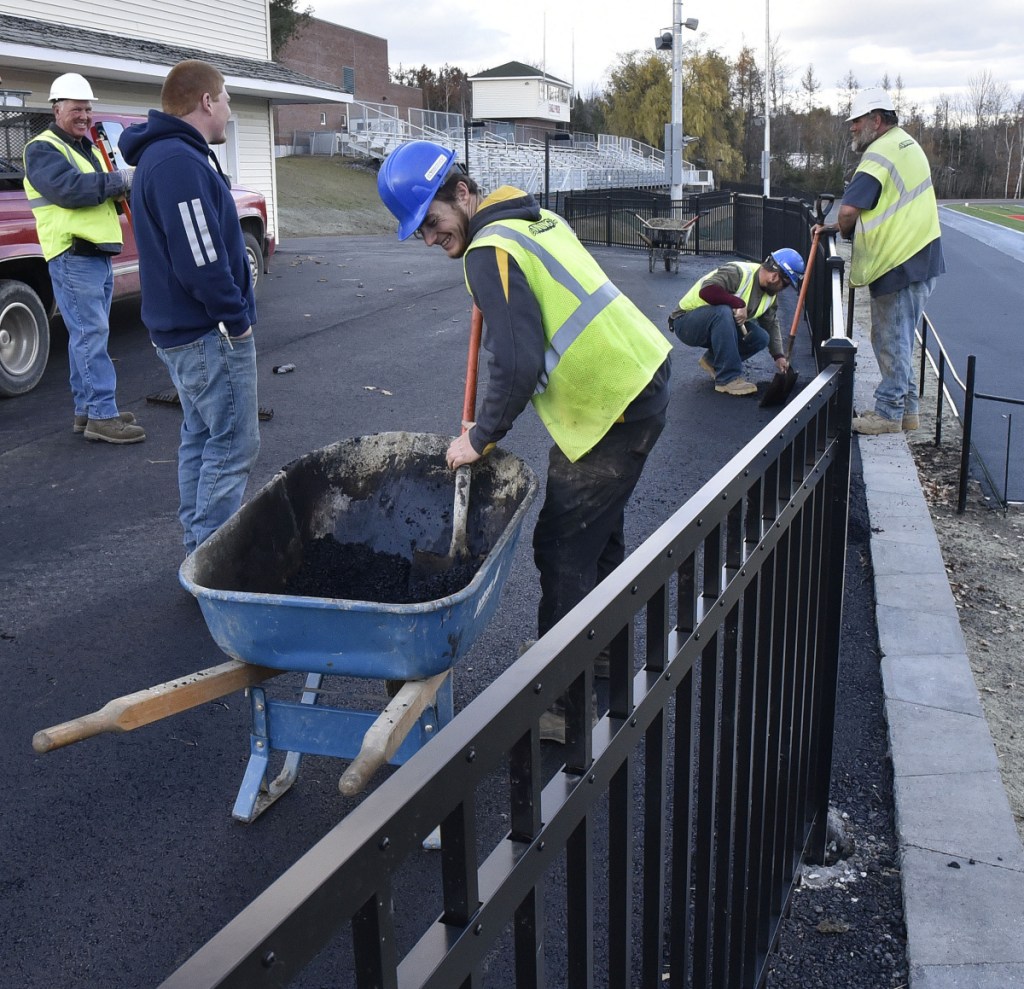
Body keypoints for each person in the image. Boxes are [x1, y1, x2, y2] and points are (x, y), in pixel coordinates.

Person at [377, 141, 672, 741]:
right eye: (418, 233)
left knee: (562, 549)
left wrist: (479, 438)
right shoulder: (533, 218)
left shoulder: (489, 251)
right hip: (635, 380)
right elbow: (517, 338)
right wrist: (483, 419)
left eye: (431, 223)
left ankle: (564, 703)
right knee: (596, 536)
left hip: (611, 406)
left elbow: (514, 361)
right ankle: (605, 655)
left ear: (462, 193)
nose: (431, 239)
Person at [119, 60, 259, 556]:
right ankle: (214, 561)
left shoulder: (170, 156)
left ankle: (198, 551)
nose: (227, 109)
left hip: (187, 333)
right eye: (224, 99)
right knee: (234, 443)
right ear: (205, 101)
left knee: (201, 439)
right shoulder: (177, 162)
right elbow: (201, 260)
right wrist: (237, 322)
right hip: (208, 334)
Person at [813, 86, 944, 435]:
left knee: (889, 338)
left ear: (876, 119)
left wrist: (839, 229)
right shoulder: (905, 144)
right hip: (919, 253)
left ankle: (887, 413)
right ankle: (908, 412)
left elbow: (850, 211)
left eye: (856, 121)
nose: (852, 128)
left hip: (899, 259)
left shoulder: (878, 154)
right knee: (901, 337)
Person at [23, 72, 145, 443]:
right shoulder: (42, 148)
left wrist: (116, 186)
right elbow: (70, 190)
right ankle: (103, 415)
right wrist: (120, 180)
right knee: (91, 335)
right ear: (57, 109)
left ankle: (87, 411)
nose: (85, 116)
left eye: (88, 109)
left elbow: (95, 190)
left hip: (95, 255)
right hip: (73, 254)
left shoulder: (85, 149)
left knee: (86, 337)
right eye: (77, 108)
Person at [669, 249, 805, 396]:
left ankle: (713, 362)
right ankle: (727, 379)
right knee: (722, 312)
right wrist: (737, 303)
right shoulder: (739, 273)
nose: (784, 289)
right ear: (774, 276)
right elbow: (707, 291)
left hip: (716, 327)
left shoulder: (770, 295)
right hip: (685, 322)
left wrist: (778, 356)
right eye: (785, 285)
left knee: (761, 337)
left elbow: (771, 324)